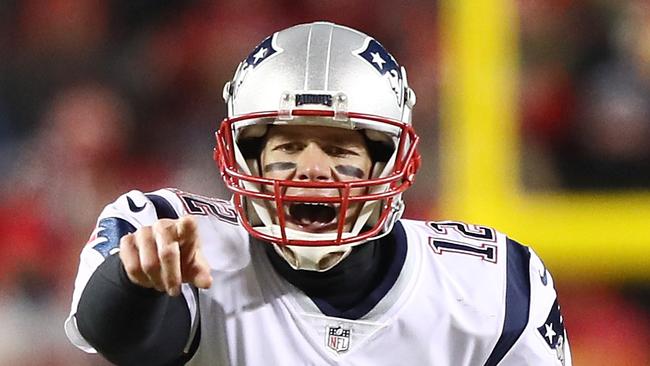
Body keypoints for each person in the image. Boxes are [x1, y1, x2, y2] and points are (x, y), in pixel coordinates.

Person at [65, 22, 572, 365]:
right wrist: (137, 280)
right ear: (246, 153)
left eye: (337, 146)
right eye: (287, 144)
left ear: (390, 157)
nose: (311, 170)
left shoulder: (489, 287)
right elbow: (120, 339)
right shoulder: (177, 236)